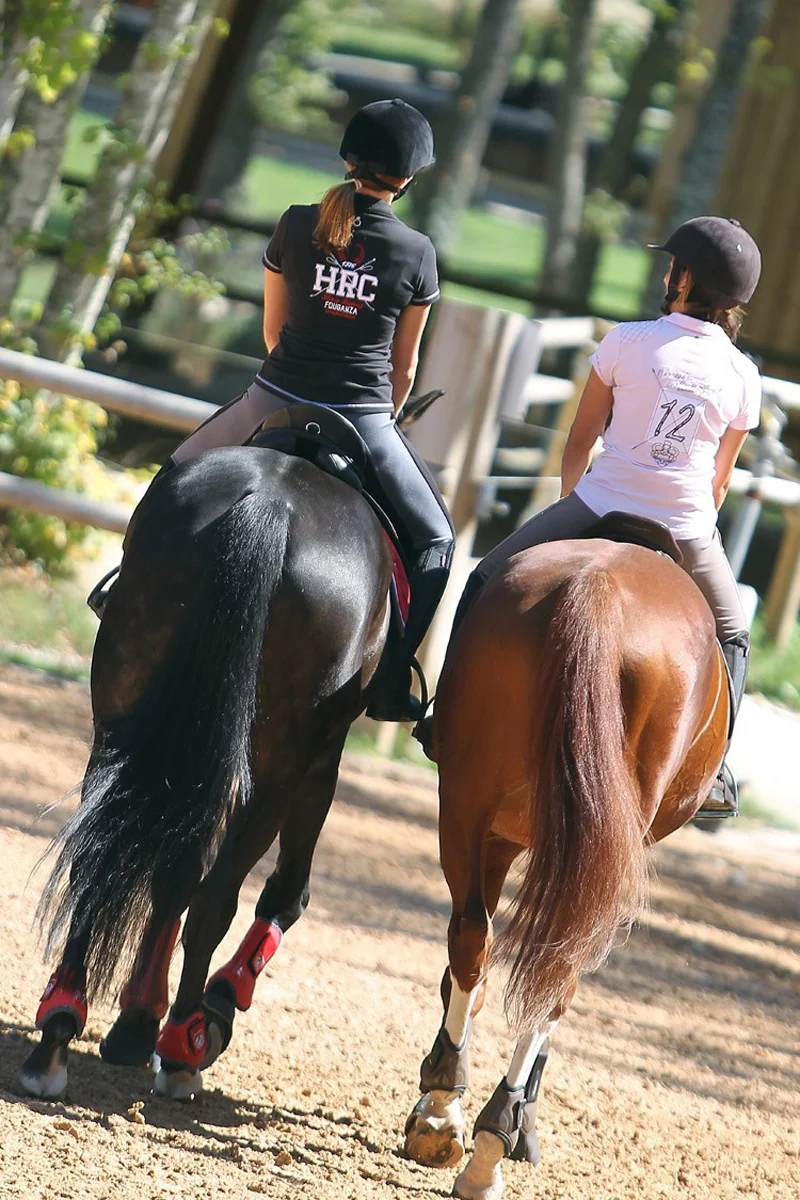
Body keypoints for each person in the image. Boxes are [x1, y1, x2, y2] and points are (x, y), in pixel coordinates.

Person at [89, 99, 454, 723]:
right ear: (410, 178)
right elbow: (405, 368)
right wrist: (386, 413)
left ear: (347, 161)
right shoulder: (416, 252)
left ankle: (127, 590)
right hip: (363, 416)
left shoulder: (295, 223)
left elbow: (272, 331)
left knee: (174, 477)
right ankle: (393, 678)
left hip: (274, 395)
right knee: (435, 541)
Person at [434, 216, 762, 815]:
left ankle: (446, 711)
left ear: (684, 278)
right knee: (735, 633)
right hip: (687, 527)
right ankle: (715, 771)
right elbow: (718, 483)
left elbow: (581, 439)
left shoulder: (626, 341)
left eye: (672, 266)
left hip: (600, 501)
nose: (667, 273)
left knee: (486, 579)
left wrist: (571, 508)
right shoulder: (744, 375)